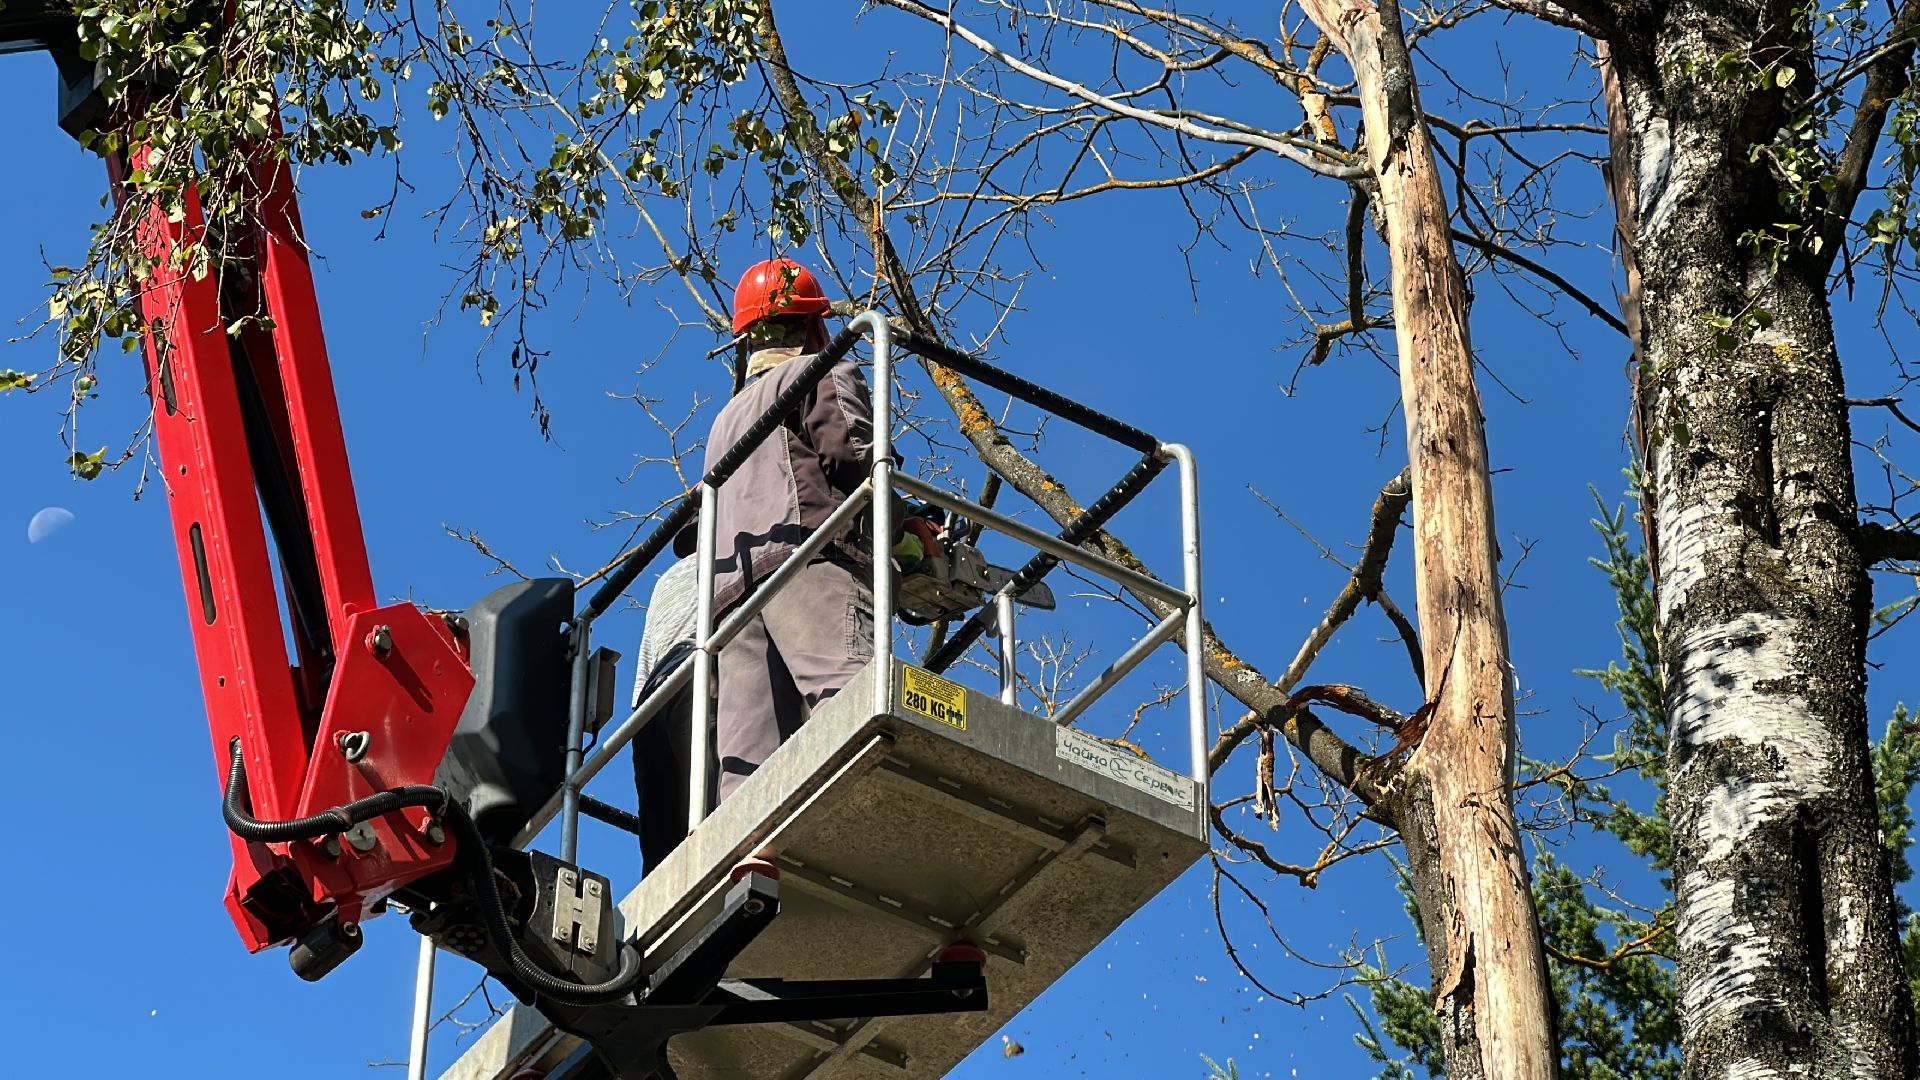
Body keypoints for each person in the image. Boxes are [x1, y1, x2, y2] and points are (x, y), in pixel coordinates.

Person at [705, 257, 878, 800]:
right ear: (812, 325)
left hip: (729, 604)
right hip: (806, 563)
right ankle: (872, 811)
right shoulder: (819, 370)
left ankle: (750, 870)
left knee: (747, 773)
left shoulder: (722, 424)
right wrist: (903, 525)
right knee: (852, 702)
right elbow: (854, 455)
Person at [628, 556, 704, 874]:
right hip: (697, 662)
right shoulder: (725, 547)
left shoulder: (664, 580)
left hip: (653, 695)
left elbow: (646, 657)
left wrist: (640, 716)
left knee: (661, 829)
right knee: (711, 785)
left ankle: (659, 908)